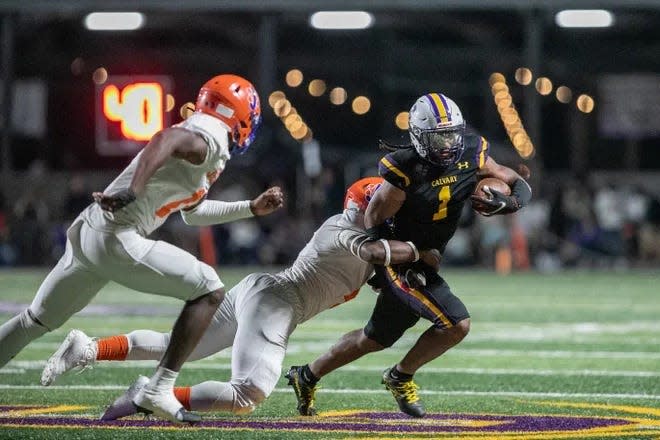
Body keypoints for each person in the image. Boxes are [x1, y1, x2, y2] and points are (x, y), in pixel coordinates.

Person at [0, 74, 285, 423]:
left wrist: (250, 208)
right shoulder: (209, 136)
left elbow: (192, 215)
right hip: (117, 236)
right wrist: (135, 190)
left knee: (35, 319)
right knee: (209, 289)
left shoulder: (205, 135)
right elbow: (165, 139)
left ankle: (153, 386)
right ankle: (158, 389)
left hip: (92, 233)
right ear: (243, 116)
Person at [41, 177, 439, 420]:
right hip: (278, 303)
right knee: (248, 393)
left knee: (177, 347)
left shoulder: (353, 228)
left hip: (263, 291)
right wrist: (421, 249)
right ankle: (148, 398)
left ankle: (89, 349)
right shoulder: (348, 233)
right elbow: (372, 254)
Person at [286, 92, 532, 418]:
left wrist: (509, 203)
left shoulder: (472, 151)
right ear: (418, 136)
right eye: (439, 136)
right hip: (405, 258)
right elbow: (374, 220)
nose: (448, 143)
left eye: (452, 134)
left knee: (375, 338)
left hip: (429, 254)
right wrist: (389, 262)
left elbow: (518, 184)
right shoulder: (404, 168)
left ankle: (306, 375)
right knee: (456, 323)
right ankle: (400, 376)